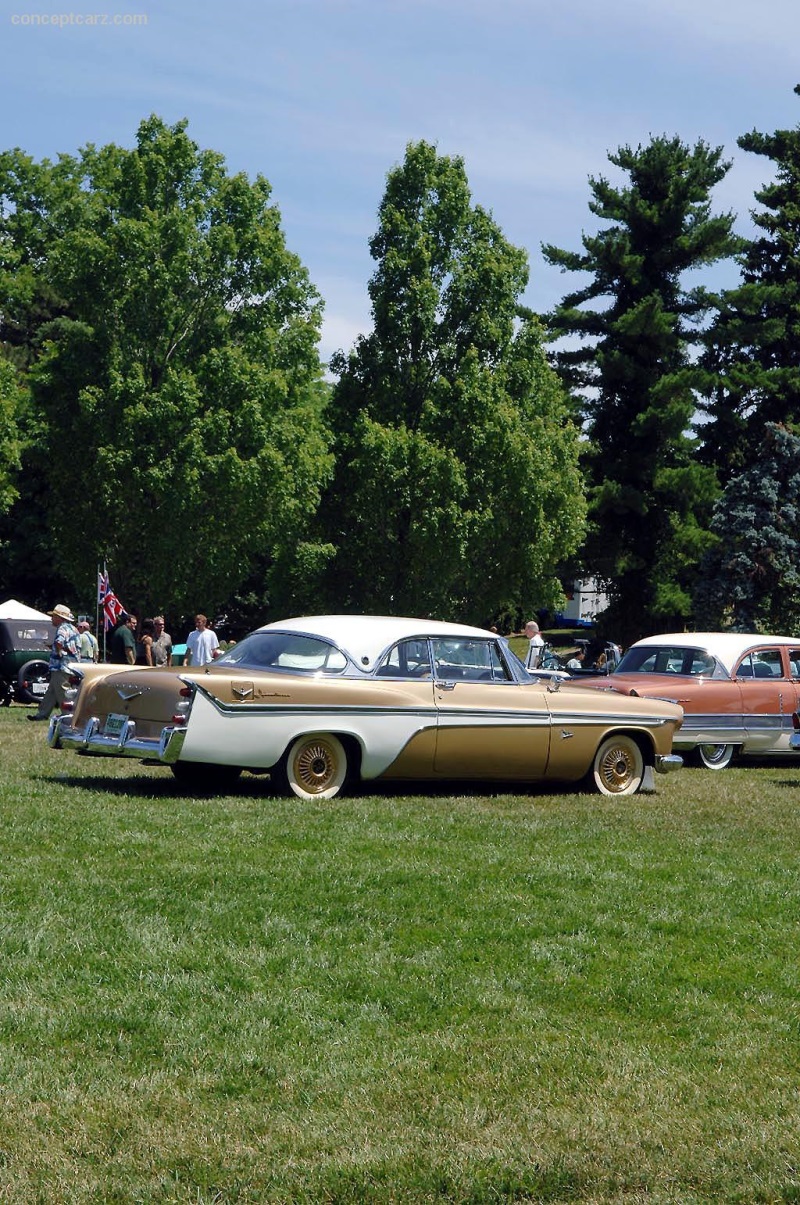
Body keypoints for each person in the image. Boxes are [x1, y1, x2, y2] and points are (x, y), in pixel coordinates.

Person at [28, 603, 81, 720]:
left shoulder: (62, 628)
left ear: (59, 618)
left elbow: (59, 642)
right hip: (72, 665)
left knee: (63, 691)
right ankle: (42, 714)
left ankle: (68, 715)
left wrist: (58, 651)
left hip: (61, 666)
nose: (52, 619)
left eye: (53, 616)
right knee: (51, 692)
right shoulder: (74, 629)